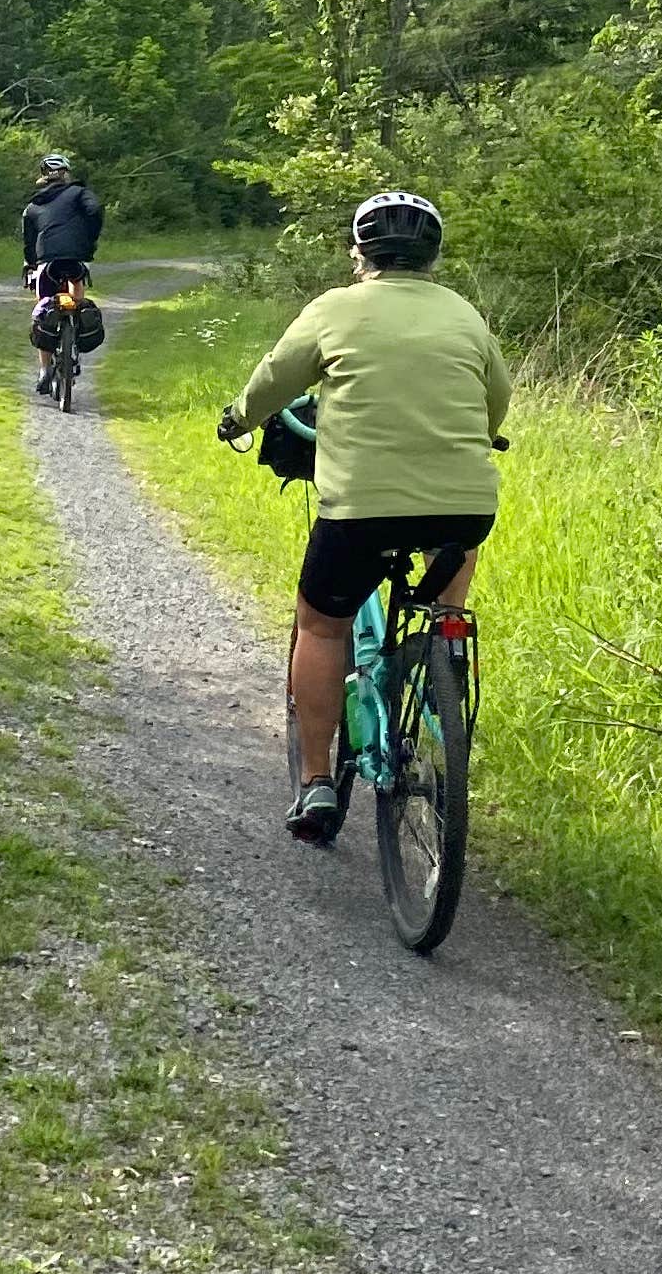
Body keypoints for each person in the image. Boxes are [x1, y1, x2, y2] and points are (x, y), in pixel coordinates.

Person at [216, 189, 509, 843]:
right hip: (464, 506)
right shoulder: (464, 315)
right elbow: (497, 399)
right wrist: (481, 434)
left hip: (361, 514)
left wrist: (237, 419)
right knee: (452, 560)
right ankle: (443, 652)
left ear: (360, 254)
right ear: (433, 257)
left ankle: (317, 781)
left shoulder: (335, 309)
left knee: (322, 628)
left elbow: (275, 379)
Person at [21, 149, 104, 373]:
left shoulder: (33, 206)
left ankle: (44, 370)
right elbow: (95, 210)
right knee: (77, 290)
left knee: (45, 305)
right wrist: (90, 238)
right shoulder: (79, 193)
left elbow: (29, 243)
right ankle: (74, 334)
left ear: (43, 177)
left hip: (46, 261)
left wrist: (30, 265)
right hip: (77, 257)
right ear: (66, 174)